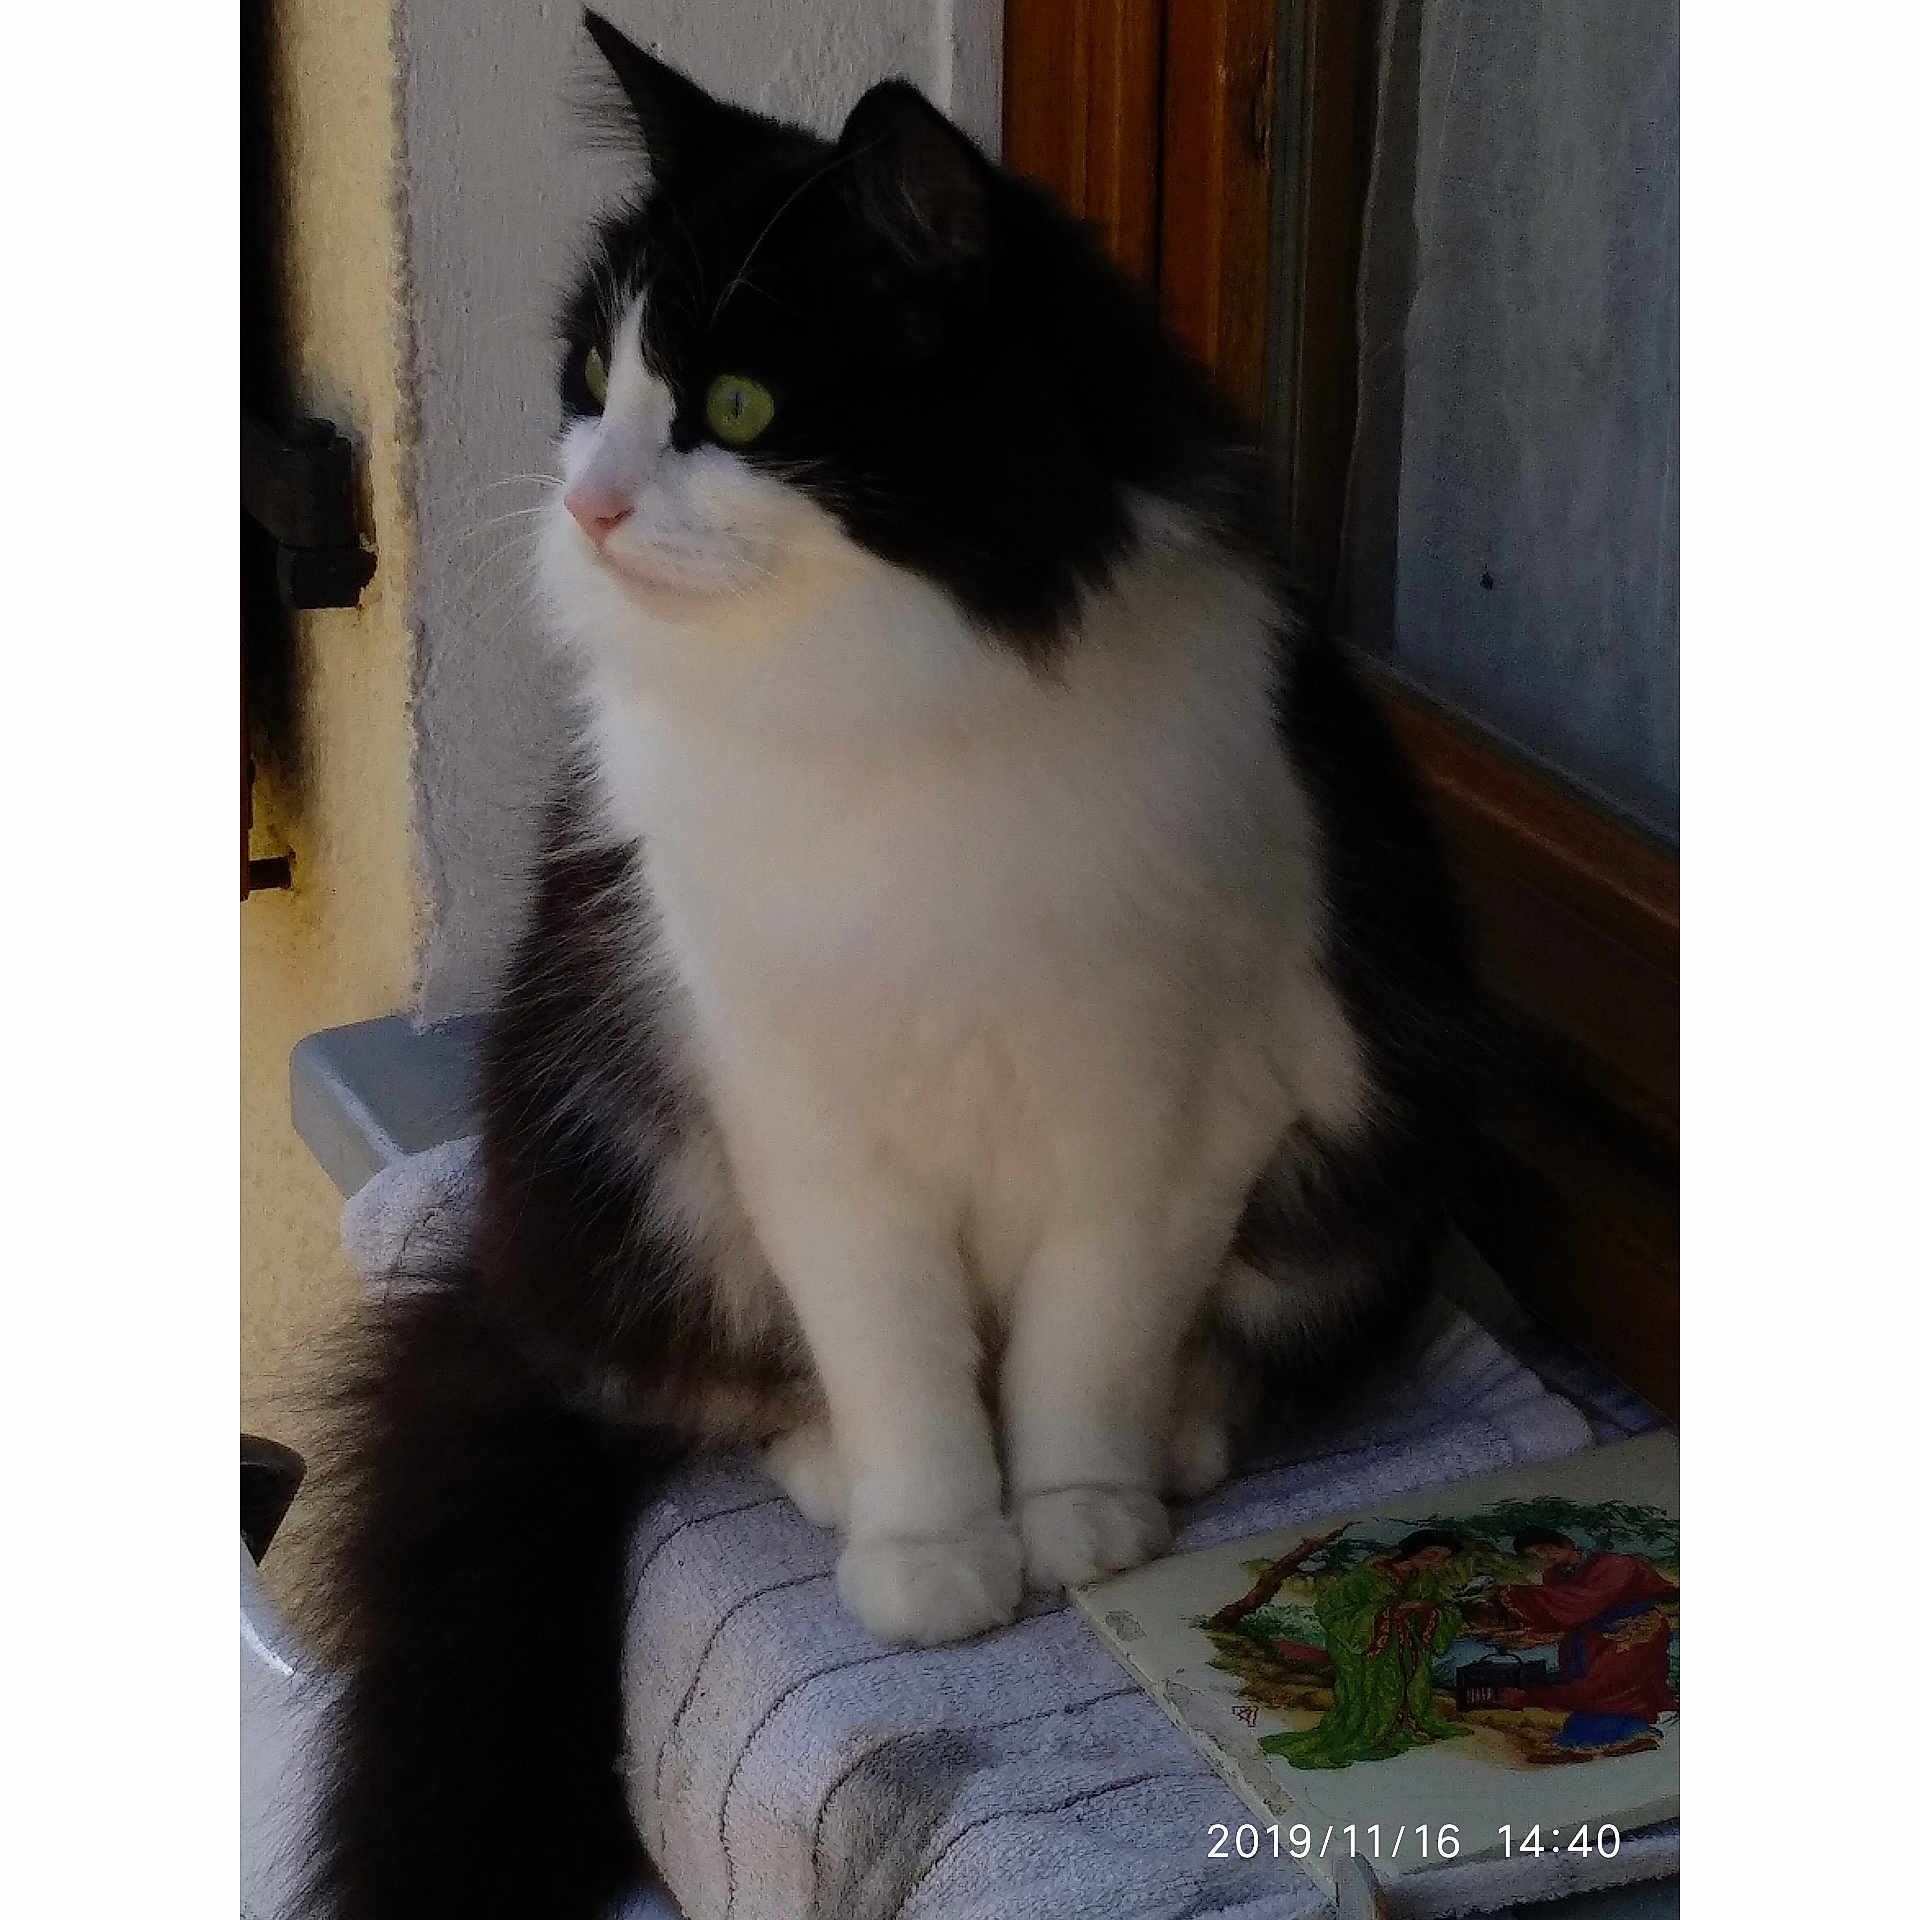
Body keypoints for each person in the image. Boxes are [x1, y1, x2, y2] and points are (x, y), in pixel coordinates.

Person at [1260, 1530, 1472, 1770]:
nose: (1435, 1563)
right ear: (1413, 1550)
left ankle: (1401, 1726)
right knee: (1374, 1690)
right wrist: (1389, 1611)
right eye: (1430, 1554)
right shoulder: (1365, 1577)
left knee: (1406, 1685)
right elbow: (1330, 1609)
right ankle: (1370, 1732)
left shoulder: (1425, 1580)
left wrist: (1428, 1610)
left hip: (1405, 1647)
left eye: (1442, 1559)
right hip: (1365, 1647)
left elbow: (1444, 1609)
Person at [1489, 1528, 1678, 1761]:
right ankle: (1633, 1733)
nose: (1543, 1557)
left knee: (1605, 1682)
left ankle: (1580, 1742)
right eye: (1535, 1555)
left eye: (1545, 1549)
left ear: (1566, 1543)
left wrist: (1516, 1595)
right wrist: (1529, 1633)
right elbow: (1561, 1613)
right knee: (1600, 1679)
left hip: (1637, 1629)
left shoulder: (1614, 1564)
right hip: (1596, 1633)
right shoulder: (1558, 1574)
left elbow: (1579, 1603)